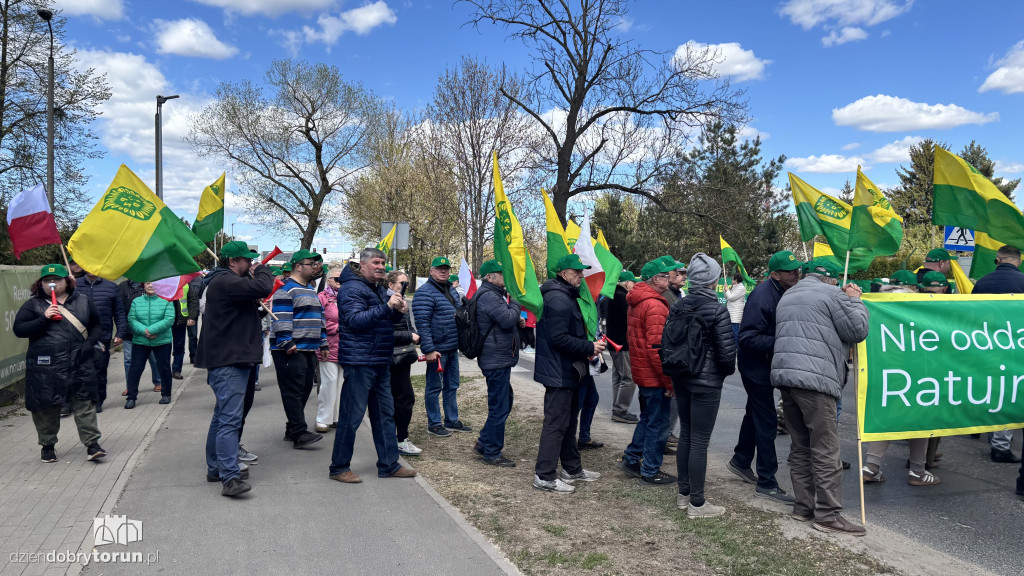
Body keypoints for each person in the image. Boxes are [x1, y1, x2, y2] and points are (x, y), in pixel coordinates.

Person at [772, 258, 868, 535]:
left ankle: (803, 506)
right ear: (833, 279)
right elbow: (858, 330)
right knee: (825, 448)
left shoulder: (790, 294)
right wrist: (854, 300)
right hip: (816, 380)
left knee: (801, 445)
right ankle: (828, 514)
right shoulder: (833, 295)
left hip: (786, 378)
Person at [329, 248, 417, 484]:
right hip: (359, 362)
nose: (381, 266)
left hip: (378, 360)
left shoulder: (376, 288)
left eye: (383, 263)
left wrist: (397, 312)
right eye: (376, 262)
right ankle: (339, 467)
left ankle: (389, 464)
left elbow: (384, 321)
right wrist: (387, 307)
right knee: (352, 416)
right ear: (363, 265)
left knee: (384, 415)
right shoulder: (351, 288)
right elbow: (355, 321)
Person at [197, 241, 274, 497]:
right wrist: (264, 267)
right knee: (229, 419)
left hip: (233, 359)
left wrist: (261, 314)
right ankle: (229, 477)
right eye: (247, 260)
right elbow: (263, 286)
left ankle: (216, 467)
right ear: (232, 262)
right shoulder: (224, 281)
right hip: (229, 362)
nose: (251, 264)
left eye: (253, 261)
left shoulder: (225, 283)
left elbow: (238, 318)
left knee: (222, 417)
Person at [727, 251, 802, 504]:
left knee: (755, 414)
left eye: (797, 270)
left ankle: (740, 460)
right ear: (775, 274)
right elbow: (747, 338)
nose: (796, 274)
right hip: (755, 367)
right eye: (790, 271)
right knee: (767, 422)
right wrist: (784, 340)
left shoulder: (783, 290)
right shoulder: (763, 296)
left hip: (767, 366)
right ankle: (767, 482)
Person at [14, 264, 106, 463]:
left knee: (84, 403)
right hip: (46, 367)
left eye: (56, 279)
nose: (52, 283)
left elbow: (97, 326)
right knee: (46, 407)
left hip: (79, 363)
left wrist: (88, 345)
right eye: (47, 280)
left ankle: (92, 445)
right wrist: (44, 319)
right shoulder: (34, 305)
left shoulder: (83, 301)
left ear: (68, 281)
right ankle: (47, 446)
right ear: (41, 283)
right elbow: (19, 330)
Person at [533, 254, 605, 493]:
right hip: (559, 371)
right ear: (564, 274)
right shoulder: (558, 300)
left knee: (568, 421)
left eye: (581, 271)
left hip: (568, 370)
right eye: (577, 272)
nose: (581, 276)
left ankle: (572, 468)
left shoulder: (565, 296)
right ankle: (544, 476)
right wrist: (589, 347)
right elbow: (557, 338)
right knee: (556, 424)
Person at [671, 253, 736, 517]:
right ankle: (697, 503)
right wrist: (722, 373)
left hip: (681, 377)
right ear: (713, 281)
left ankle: (683, 493)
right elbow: (727, 353)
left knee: (686, 434)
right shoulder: (717, 309)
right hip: (706, 383)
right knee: (699, 440)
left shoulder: (678, 306)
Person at [861, 282, 940, 487]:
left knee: (886, 418)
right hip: (917, 377)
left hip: (884, 374)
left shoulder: (877, 313)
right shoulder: (918, 316)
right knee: (920, 421)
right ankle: (918, 471)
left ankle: (871, 466)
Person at [619, 259, 676, 486]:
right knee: (659, 423)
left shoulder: (639, 299)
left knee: (648, 418)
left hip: (644, 371)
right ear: (655, 279)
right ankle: (651, 470)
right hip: (654, 375)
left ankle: (632, 458)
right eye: (666, 276)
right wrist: (669, 381)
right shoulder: (654, 305)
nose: (669, 279)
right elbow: (657, 348)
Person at [271, 249, 329, 448]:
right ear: (298, 266)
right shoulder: (285, 289)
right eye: (311, 264)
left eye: (316, 265)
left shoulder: (310, 290)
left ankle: (292, 428)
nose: (315, 268)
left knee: (304, 390)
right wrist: (286, 341)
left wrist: (323, 342)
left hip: (309, 348)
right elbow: (281, 317)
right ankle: (299, 432)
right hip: (290, 349)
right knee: (293, 391)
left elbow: (319, 318)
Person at [972, 244, 1024, 464]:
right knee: (1010, 392)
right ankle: (1000, 446)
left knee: (994, 390)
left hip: (986, 346)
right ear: (1019, 261)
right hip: (1016, 347)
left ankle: (991, 434)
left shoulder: (983, 283)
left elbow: (971, 316)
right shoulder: (1022, 281)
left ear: (997, 260)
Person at [412, 256, 470, 436]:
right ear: (431, 271)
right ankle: (434, 423)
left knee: (452, 385)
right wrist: (428, 349)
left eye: (446, 268)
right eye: (439, 268)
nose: (443, 271)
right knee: (434, 387)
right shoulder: (425, 293)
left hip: (452, 346)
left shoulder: (449, 290)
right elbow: (423, 324)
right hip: (437, 349)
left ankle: (451, 420)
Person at [473, 260, 523, 467]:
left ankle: (484, 442)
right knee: (499, 407)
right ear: (489, 277)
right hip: (495, 359)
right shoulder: (490, 296)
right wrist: (516, 302)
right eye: (501, 274)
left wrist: (513, 315)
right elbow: (506, 320)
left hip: (497, 357)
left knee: (504, 401)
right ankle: (492, 452)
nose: (506, 277)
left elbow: (504, 319)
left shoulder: (493, 295)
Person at [68, 260, 125, 413]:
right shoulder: (74, 284)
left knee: (99, 370)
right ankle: (78, 401)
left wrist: (120, 333)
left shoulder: (111, 286)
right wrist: (69, 287)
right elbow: (62, 303)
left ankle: (98, 401)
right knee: (77, 370)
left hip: (102, 336)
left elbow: (119, 312)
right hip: (78, 336)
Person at [386, 270, 422, 456]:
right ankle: (399, 439)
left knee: (402, 399)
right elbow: (385, 333)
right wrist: (410, 336)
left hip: (402, 357)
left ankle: (398, 438)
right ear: (391, 285)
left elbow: (408, 326)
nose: (405, 287)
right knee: (402, 399)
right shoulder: (388, 303)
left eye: (407, 283)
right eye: (402, 283)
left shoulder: (402, 302)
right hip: (392, 358)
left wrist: (416, 336)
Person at [124, 282, 175, 408]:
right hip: (141, 341)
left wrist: (151, 330)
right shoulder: (136, 301)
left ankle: (166, 394)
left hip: (162, 340)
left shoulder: (167, 300)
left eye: (154, 283)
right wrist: (145, 331)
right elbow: (132, 319)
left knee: (164, 368)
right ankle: (131, 397)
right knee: (135, 369)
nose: (151, 285)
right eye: (148, 283)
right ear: (143, 285)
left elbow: (169, 319)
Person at [117, 279, 162, 396]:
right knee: (129, 360)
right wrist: (121, 331)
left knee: (153, 358)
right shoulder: (122, 287)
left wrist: (151, 329)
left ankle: (158, 382)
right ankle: (130, 386)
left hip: (149, 332)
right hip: (130, 331)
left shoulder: (149, 284)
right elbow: (120, 310)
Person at [605, 270, 638, 424]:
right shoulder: (621, 297)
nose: (635, 286)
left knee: (618, 377)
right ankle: (621, 410)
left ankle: (617, 407)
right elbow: (631, 318)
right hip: (621, 343)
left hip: (614, 342)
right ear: (626, 283)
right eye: (633, 283)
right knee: (629, 378)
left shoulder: (612, 295)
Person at [316, 267, 343, 432]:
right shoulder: (322, 297)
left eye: (341, 279)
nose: (339, 282)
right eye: (335, 279)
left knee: (341, 383)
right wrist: (337, 327)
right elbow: (319, 320)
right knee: (329, 383)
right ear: (328, 280)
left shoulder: (347, 296)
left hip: (345, 346)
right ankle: (322, 419)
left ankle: (336, 417)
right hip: (328, 345)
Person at [170, 289, 189, 380]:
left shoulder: (185, 283)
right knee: (164, 348)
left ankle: (176, 370)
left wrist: (192, 316)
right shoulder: (162, 282)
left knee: (179, 345)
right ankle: (164, 371)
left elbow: (192, 300)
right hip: (165, 321)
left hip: (180, 321)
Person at [725, 273, 746, 344]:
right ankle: (733, 347)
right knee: (731, 332)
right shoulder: (734, 287)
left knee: (735, 332)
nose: (731, 280)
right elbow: (727, 297)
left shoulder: (741, 288)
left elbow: (731, 298)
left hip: (735, 315)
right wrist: (725, 290)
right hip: (731, 313)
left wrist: (727, 290)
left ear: (736, 280)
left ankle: (738, 348)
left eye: (732, 278)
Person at [186, 274, 202, 363]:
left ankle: (194, 356)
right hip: (179, 312)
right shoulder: (178, 277)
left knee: (193, 335)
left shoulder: (198, 278)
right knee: (179, 340)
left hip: (193, 311)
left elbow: (200, 295)